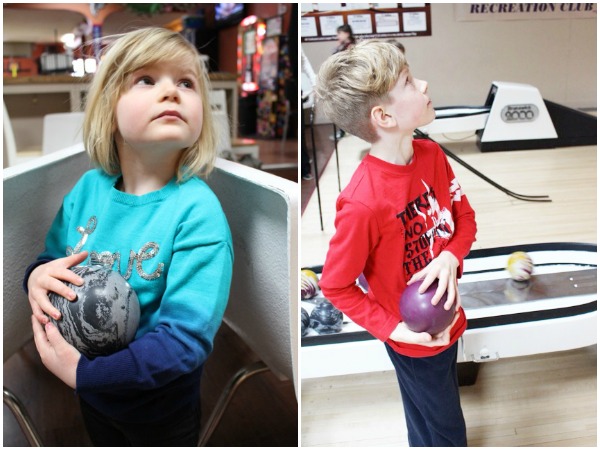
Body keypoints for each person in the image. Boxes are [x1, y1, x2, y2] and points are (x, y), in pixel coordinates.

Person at [24, 27, 233, 446]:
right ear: (109, 110)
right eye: (146, 79)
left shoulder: (198, 212)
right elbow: (51, 259)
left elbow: (184, 339)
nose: (172, 92)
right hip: (92, 393)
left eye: (186, 83)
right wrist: (35, 277)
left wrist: (86, 375)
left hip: (159, 405)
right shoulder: (87, 189)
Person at [314, 40, 477, 447]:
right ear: (383, 115)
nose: (423, 84)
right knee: (447, 431)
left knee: (427, 414)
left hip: (447, 319)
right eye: (408, 81)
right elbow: (335, 285)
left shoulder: (431, 154)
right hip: (413, 339)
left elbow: (466, 220)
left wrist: (449, 258)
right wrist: (396, 331)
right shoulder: (362, 202)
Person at [329, 24, 356, 141]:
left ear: (347, 33)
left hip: (348, 80)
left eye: (340, 33)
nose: (338, 35)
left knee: (345, 107)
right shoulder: (341, 46)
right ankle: (344, 130)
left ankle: (344, 131)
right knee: (342, 107)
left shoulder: (351, 47)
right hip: (341, 79)